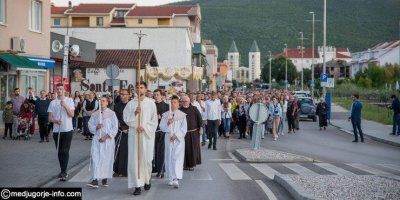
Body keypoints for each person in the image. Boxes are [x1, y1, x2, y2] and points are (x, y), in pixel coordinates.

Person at [123, 82, 158, 196]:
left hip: (147, 136)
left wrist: (145, 127)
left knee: (147, 160)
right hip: (134, 135)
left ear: (146, 89)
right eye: (137, 88)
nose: (139, 89)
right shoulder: (130, 104)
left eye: (141, 87)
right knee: (135, 160)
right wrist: (135, 113)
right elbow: (126, 119)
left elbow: (154, 120)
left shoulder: (151, 103)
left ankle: (147, 179)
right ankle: (137, 185)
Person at [87, 97, 118, 188]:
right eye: (100, 101)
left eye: (103, 101)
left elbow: (115, 127)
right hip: (97, 139)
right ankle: (95, 179)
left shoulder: (112, 114)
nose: (101, 103)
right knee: (95, 158)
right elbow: (90, 125)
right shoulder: (95, 114)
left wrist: (106, 136)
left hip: (107, 140)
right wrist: (97, 127)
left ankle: (104, 178)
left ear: (107, 103)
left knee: (105, 159)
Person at [48, 83, 75, 181]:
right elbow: (50, 117)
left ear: (64, 90)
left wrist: (65, 105)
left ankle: (64, 172)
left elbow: (72, 114)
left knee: (65, 150)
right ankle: (62, 170)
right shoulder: (53, 102)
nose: (59, 90)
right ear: (56, 90)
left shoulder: (70, 100)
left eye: (61, 89)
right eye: (58, 89)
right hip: (57, 130)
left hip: (67, 129)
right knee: (59, 151)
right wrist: (56, 121)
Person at [159, 95, 187, 188]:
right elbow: (161, 127)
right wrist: (167, 123)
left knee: (177, 158)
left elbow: (184, 129)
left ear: (178, 103)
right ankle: (171, 178)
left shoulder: (182, 115)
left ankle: (176, 178)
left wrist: (176, 135)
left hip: (178, 140)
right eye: (172, 102)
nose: (173, 104)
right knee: (169, 157)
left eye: (175, 102)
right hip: (168, 137)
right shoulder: (166, 115)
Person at [179, 95, 202, 171]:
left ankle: (191, 164)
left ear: (189, 102)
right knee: (184, 149)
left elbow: (200, 119)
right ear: (181, 102)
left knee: (192, 149)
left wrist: (200, 128)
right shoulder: (179, 110)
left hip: (193, 133)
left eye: (186, 101)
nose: (185, 103)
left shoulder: (194, 109)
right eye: (184, 101)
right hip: (183, 133)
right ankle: (184, 165)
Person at [113, 89, 130, 177]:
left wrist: (128, 128)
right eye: (121, 94)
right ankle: (117, 170)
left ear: (128, 95)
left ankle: (126, 170)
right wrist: (122, 127)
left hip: (130, 130)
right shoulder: (117, 106)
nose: (122, 96)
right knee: (118, 149)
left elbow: (134, 118)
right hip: (119, 130)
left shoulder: (131, 105)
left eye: (124, 94)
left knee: (127, 150)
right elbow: (115, 119)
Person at [153, 89, 169, 178]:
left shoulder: (166, 106)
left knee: (161, 151)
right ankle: (155, 169)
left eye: (158, 95)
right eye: (155, 95)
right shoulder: (152, 105)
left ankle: (161, 170)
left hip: (162, 131)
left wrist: (160, 116)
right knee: (154, 151)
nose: (156, 96)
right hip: (153, 131)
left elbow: (168, 117)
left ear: (162, 96)